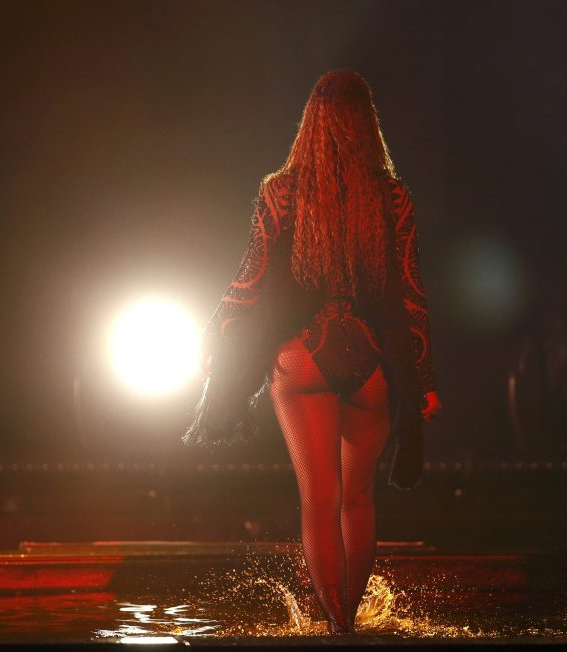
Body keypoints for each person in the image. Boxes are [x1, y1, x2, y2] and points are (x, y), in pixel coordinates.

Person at [184, 70, 441, 634]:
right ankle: (351, 619)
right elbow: (412, 293)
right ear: (367, 124)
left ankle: (338, 629)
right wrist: (422, 377)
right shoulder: (391, 195)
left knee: (318, 502)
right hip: (371, 360)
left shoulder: (281, 190)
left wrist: (214, 334)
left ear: (311, 123)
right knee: (360, 502)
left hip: (302, 359)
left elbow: (248, 281)